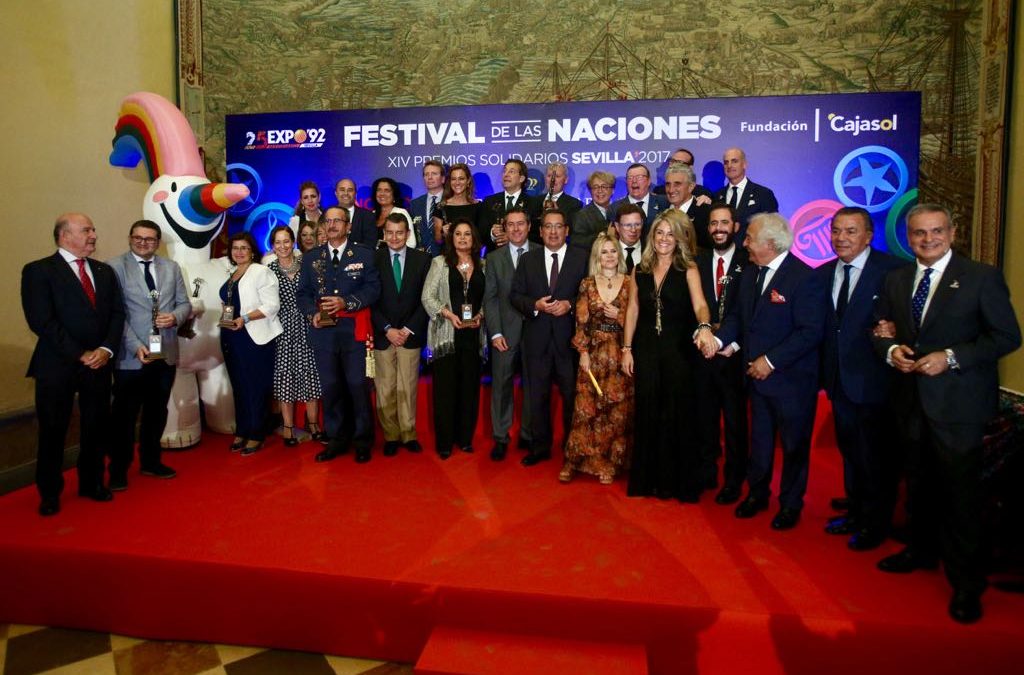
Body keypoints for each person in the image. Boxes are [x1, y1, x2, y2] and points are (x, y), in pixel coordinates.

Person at [872, 203, 1020, 624]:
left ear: (952, 233)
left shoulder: (981, 278)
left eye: (936, 231)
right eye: (919, 233)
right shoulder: (898, 279)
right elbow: (882, 327)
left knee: (960, 497)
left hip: (959, 408)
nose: (928, 239)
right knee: (917, 485)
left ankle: (966, 584)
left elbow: (1006, 336)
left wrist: (951, 357)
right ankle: (919, 552)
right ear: (908, 236)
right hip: (910, 402)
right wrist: (890, 351)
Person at [712, 212, 827, 529]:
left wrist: (770, 361)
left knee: (793, 446)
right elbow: (738, 318)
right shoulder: (750, 274)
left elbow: (810, 331)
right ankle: (757, 494)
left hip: (791, 383)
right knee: (760, 442)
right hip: (756, 381)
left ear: (771, 244)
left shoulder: (805, 278)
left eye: (749, 237)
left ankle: (791, 504)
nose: (744, 242)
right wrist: (722, 341)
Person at [815, 207, 907, 550]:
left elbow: (907, 320)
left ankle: (876, 523)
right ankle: (855, 511)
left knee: (876, 458)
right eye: (836, 231)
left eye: (851, 231)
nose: (841, 238)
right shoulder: (824, 272)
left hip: (875, 383)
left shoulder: (893, 271)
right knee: (851, 452)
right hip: (839, 383)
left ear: (869, 235)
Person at [21, 213, 125, 516]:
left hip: (99, 365)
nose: (93, 234)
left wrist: (105, 349)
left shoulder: (104, 272)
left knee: (96, 427)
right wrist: (80, 353)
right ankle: (50, 492)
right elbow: (41, 320)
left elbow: (117, 315)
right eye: (86, 230)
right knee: (53, 430)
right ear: (64, 235)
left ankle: (92, 483)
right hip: (57, 366)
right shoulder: (39, 271)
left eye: (93, 229)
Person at [621, 210, 716, 501]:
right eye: (659, 233)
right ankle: (648, 481)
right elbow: (633, 309)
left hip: (678, 350)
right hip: (646, 348)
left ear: (679, 238)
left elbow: (700, 304)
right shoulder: (640, 268)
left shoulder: (687, 267)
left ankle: (677, 482)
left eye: (670, 234)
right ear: (652, 236)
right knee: (649, 410)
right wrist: (626, 348)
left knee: (676, 413)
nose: (664, 239)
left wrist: (704, 326)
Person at [108, 220, 191, 490]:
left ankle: (151, 461)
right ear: (130, 238)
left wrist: (175, 317)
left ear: (158, 242)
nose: (144, 243)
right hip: (131, 357)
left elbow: (184, 304)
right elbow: (115, 315)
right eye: (138, 238)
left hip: (164, 353)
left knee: (157, 412)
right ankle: (118, 470)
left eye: (150, 239)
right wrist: (134, 345)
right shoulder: (114, 268)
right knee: (124, 417)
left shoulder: (170, 268)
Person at [296, 206, 381, 463]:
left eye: (338, 221)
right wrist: (312, 313)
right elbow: (303, 294)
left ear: (348, 226)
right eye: (328, 221)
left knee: (357, 386)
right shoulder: (312, 258)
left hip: (353, 331)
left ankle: (362, 440)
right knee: (331, 387)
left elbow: (373, 289)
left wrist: (347, 302)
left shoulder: (364, 255)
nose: (332, 225)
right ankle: (336, 439)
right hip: (324, 333)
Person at [511, 208, 588, 466]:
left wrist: (571, 304)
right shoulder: (528, 260)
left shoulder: (582, 258)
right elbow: (515, 295)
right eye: (548, 227)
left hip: (570, 341)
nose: (553, 232)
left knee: (571, 397)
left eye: (558, 226)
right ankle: (539, 447)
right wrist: (536, 304)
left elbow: (592, 296)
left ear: (567, 230)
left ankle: (572, 448)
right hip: (537, 339)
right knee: (537, 397)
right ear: (540, 231)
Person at [562, 233, 634, 484]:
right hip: (592, 355)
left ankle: (610, 464)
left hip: (620, 354)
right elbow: (580, 320)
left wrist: (619, 317)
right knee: (585, 410)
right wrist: (582, 352)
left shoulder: (629, 283)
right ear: (597, 257)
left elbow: (637, 323)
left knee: (616, 413)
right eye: (604, 252)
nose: (609, 256)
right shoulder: (587, 283)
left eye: (613, 251)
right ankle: (576, 460)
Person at [693, 204, 749, 504]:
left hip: (733, 355)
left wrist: (730, 342)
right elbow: (692, 306)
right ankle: (706, 472)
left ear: (735, 227)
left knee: (736, 422)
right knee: (705, 417)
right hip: (702, 354)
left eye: (724, 223)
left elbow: (747, 311)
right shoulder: (697, 262)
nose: (718, 229)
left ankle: (734, 478)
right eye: (714, 223)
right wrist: (702, 338)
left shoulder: (748, 261)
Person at [422, 219, 486, 459]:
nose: (462, 238)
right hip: (446, 337)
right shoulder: (440, 264)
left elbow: (489, 298)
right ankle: (445, 442)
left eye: (467, 234)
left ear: (474, 238)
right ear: (451, 238)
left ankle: (465, 439)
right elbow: (427, 297)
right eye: (457, 234)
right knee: (445, 391)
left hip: (473, 336)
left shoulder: (484, 265)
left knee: (469, 389)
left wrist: (481, 315)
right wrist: (447, 314)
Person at [219, 231, 283, 456]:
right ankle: (242, 429)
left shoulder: (261, 271)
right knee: (239, 386)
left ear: (252, 251)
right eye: (235, 248)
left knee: (255, 387)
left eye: (244, 248)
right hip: (231, 336)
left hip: (254, 337)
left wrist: (244, 318)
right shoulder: (232, 273)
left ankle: (257, 433)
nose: (239, 252)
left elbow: (272, 305)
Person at [372, 213, 430, 455]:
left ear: (407, 234)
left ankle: (408, 434)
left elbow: (426, 299)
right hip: (383, 335)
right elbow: (369, 300)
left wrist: (406, 330)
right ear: (384, 235)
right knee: (385, 388)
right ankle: (391, 436)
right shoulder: (373, 259)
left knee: (407, 387)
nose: (394, 237)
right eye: (390, 233)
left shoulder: (423, 259)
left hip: (410, 334)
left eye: (399, 232)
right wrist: (387, 329)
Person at [483, 207, 534, 460]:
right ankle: (501, 436)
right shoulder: (494, 258)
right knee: (502, 385)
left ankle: (528, 434)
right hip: (505, 333)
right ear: (504, 228)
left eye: (520, 224)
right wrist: (495, 333)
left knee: (532, 386)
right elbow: (490, 300)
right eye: (510, 224)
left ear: (529, 226)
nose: (515, 229)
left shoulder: (541, 252)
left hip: (536, 333)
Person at [267, 226, 323, 447]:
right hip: (281, 331)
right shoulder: (268, 271)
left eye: (286, 241)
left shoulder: (307, 267)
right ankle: (288, 426)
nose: (282, 246)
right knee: (285, 378)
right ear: (272, 246)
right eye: (278, 242)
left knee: (311, 375)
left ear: (294, 243)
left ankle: (313, 423)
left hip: (308, 326)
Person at [713, 147, 778, 240]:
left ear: (744, 164)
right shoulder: (717, 196)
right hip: (723, 252)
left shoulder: (763, 194)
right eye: (726, 162)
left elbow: (772, 229)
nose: (729, 165)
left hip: (751, 252)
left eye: (734, 161)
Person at [478, 159, 539, 247]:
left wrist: (513, 238)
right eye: (505, 171)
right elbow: (480, 233)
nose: (506, 175)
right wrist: (492, 234)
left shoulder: (533, 203)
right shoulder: (489, 201)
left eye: (511, 171)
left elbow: (537, 235)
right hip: (496, 257)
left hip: (524, 257)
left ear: (521, 178)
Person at [609, 163, 668, 241]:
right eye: (630, 178)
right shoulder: (615, 208)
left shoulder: (664, 202)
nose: (634, 181)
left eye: (639, 177)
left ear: (649, 181)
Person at [431, 163, 480, 252]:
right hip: (448, 258)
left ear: (468, 181)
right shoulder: (441, 207)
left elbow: (482, 238)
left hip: (472, 258)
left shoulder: (478, 206)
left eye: (461, 179)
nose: (457, 183)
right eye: (453, 179)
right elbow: (437, 239)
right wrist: (443, 233)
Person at [664, 163, 711, 251]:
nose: (671, 190)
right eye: (668, 184)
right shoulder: (661, 210)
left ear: (691, 187)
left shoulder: (706, 213)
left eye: (677, 184)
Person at [571, 170, 615, 253]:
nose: (600, 191)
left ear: (613, 190)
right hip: (593, 261)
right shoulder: (582, 215)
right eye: (595, 187)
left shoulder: (620, 211)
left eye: (604, 186)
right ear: (590, 191)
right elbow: (576, 241)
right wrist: (600, 237)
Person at [408, 160, 446, 256]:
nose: (430, 177)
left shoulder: (451, 202)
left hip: (445, 257)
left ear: (443, 179)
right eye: (426, 174)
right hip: (421, 259)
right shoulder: (415, 204)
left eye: (434, 174)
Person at [370, 177, 416, 249]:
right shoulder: (371, 214)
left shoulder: (401, 212)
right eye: (379, 190)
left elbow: (411, 243)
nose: (382, 193)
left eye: (387, 190)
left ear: (394, 194)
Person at [333, 178, 377, 246]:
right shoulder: (326, 215)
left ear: (355, 193)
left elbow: (370, 247)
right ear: (336, 193)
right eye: (342, 190)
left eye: (350, 190)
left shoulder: (368, 217)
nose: (346, 193)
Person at [613, 204, 645, 274]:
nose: (633, 230)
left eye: (637, 224)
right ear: (617, 226)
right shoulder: (608, 251)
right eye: (628, 225)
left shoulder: (651, 250)